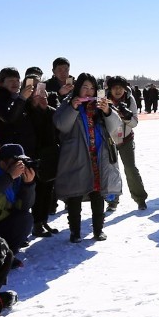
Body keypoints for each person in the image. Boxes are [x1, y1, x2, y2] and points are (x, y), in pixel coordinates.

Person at [54, 74, 121, 242]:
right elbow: (61, 125)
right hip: (77, 156)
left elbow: (115, 126)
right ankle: (75, 232)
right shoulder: (69, 102)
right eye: (85, 87)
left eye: (92, 88)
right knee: (75, 195)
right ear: (78, 88)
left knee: (97, 194)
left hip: (98, 155)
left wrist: (107, 111)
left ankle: (99, 230)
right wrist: (72, 108)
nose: (88, 91)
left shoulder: (100, 104)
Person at [103, 76, 148, 210]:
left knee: (130, 168)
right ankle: (112, 200)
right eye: (115, 87)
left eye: (120, 88)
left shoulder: (129, 99)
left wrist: (126, 117)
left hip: (126, 139)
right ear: (109, 89)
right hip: (109, 140)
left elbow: (134, 123)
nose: (118, 90)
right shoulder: (103, 99)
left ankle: (140, 198)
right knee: (111, 170)